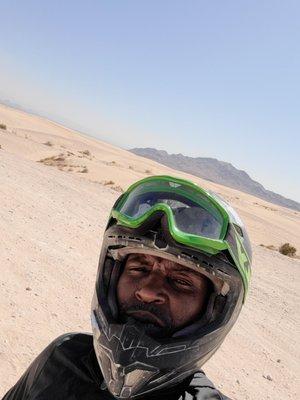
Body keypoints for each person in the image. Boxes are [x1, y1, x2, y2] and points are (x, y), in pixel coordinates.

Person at [3, 175, 252, 400]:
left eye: (181, 281)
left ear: (215, 308)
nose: (148, 291)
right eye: (139, 269)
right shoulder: (62, 358)